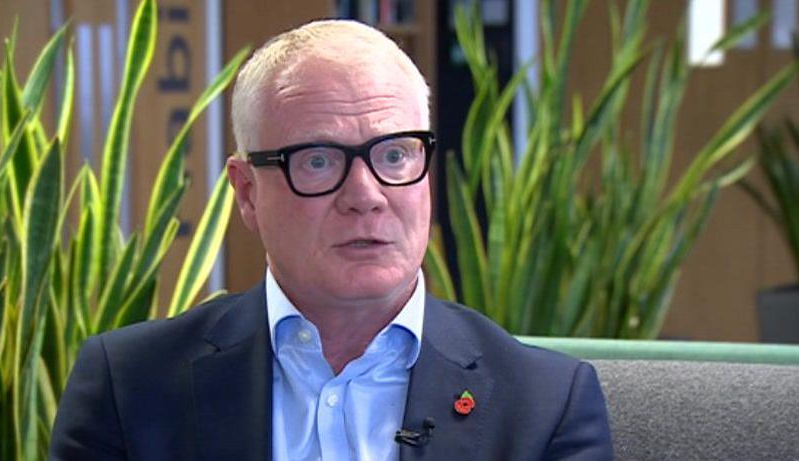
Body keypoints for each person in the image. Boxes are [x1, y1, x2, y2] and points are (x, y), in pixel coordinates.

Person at [50, 20, 613, 460]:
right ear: (247, 192)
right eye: (318, 161)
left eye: (395, 155)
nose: (366, 194)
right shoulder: (129, 388)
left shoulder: (545, 405)